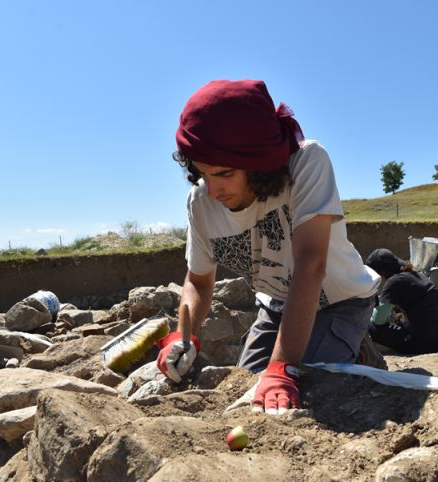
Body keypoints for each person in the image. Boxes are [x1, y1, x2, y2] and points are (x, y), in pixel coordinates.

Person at [156, 79, 381, 415]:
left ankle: (358, 351)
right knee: (249, 391)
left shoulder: (307, 163)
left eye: (226, 173)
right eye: (204, 174)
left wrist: (284, 367)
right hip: (276, 306)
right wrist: (183, 335)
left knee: (305, 389)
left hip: (341, 301)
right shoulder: (201, 202)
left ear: (260, 162)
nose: (214, 191)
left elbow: (310, 264)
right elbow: (199, 281)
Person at [365, 249, 438, 354]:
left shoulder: (393, 282)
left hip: (430, 343)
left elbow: (378, 320)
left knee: (367, 326)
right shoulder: (416, 275)